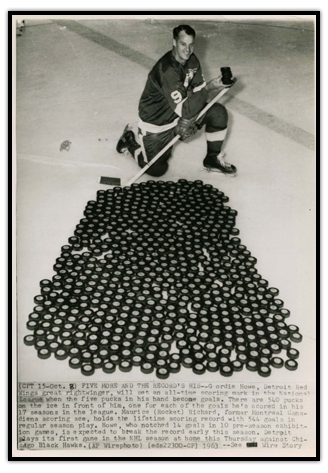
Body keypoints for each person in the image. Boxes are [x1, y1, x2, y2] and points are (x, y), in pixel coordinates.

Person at [116, 24, 236, 177]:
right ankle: (130, 142)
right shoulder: (167, 70)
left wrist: (210, 86)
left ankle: (212, 159)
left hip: (178, 114)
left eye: (191, 44)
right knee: (156, 170)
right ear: (174, 42)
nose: (188, 49)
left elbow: (198, 90)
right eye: (183, 44)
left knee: (218, 112)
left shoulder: (192, 61)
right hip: (157, 124)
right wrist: (209, 88)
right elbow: (186, 109)